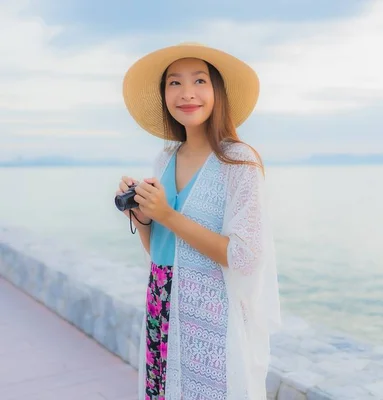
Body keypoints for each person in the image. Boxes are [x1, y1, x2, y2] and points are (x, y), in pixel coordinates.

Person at [115, 42, 281, 400]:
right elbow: (158, 249)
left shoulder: (239, 162)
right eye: (174, 83)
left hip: (212, 312)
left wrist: (167, 214)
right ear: (164, 95)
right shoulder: (164, 158)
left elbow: (246, 257)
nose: (187, 93)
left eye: (199, 81)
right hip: (162, 296)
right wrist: (143, 217)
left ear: (217, 91)